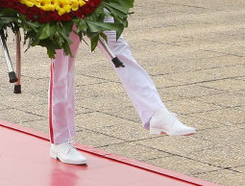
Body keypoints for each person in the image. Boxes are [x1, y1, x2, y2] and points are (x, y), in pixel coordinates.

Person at [49, 29, 196, 165]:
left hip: (98, 3)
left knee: (120, 51)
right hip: (62, 6)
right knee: (62, 66)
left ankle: (156, 112)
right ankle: (60, 140)